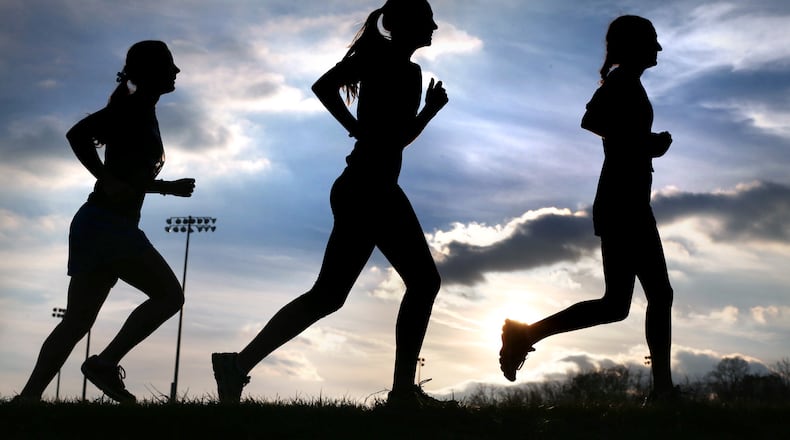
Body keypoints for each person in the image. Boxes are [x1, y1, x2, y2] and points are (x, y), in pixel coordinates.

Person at [212, 0, 450, 407]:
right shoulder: (393, 65)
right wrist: (373, 123)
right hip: (370, 188)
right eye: (428, 20)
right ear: (409, 24)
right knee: (423, 282)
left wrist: (403, 117)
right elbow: (342, 100)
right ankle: (402, 394)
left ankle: (237, 365)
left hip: (362, 186)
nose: (435, 26)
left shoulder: (392, 65)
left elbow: (379, 129)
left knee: (328, 295)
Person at [499, 15, 676, 402]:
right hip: (622, 204)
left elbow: (612, 129)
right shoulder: (621, 81)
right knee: (656, 295)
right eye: (653, 41)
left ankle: (525, 333)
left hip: (627, 202)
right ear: (633, 45)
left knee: (618, 305)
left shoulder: (627, 82)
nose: (659, 49)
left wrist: (645, 144)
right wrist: (645, 144)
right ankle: (663, 391)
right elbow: (591, 120)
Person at [14, 40, 195, 403]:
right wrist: (119, 180)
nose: (176, 72)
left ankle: (27, 400)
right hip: (108, 226)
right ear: (149, 73)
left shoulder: (142, 109)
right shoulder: (133, 108)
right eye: (169, 66)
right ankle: (105, 363)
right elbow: (77, 135)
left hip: (98, 225)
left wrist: (159, 187)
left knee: (77, 321)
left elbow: (125, 171)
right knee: (169, 295)